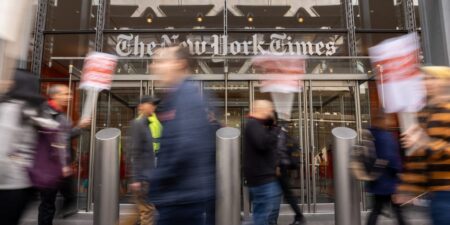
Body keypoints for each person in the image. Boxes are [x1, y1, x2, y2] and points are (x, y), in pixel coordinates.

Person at [148, 45, 215, 225]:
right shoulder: (177, 96)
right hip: (180, 197)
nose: (153, 66)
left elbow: (186, 146)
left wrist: (155, 181)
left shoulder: (186, 96)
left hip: (180, 199)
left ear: (179, 64)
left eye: (160, 61)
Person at [0, 69, 60, 225]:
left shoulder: (12, 108)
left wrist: (16, 159)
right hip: (27, 180)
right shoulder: (35, 109)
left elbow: (3, 148)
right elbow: (53, 128)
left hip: (7, 181)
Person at [399, 66, 450, 225]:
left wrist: (424, 142)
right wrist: (408, 187)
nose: (427, 82)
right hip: (436, 192)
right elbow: (418, 157)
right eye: (425, 79)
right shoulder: (423, 114)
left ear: (445, 82)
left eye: (433, 78)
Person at [38, 84, 91, 225]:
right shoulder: (45, 112)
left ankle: (61, 213)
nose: (70, 97)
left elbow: (65, 136)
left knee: (70, 196)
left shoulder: (61, 114)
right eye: (66, 94)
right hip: (49, 166)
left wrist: (79, 126)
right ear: (55, 95)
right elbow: (52, 139)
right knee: (47, 203)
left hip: (60, 167)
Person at [123, 95, 161, 225]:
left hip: (146, 176)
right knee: (147, 211)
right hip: (142, 178)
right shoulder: (137, 124)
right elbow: (133, 151)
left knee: (139, 212)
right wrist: (135, 179)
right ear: (141, 106)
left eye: (154, 104)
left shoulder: (147, 124)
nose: (153, 107)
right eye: (150, 104)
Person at [244, 100, 281, 225]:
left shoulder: (257, 125)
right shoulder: (253, 124)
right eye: (270, 110)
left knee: (262, 214)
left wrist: (271, 125)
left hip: (262, 179)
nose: (271, 112)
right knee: (265, 215)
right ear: (262, 110)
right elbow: (263, 144)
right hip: (263, 180)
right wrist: (275, 130)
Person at [366, 113, 407, 225]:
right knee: (397, 209)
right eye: (389, 119)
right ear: (383, 121)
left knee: (377, 209)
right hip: (388, 180)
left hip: (377, 179)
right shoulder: (385, 136)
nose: (391, 122)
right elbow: (390, 157)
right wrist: (398, 172)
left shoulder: (373, 134)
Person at [274, 123, 306, 225]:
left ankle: (299, 216)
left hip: (280, 168)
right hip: (285, 167)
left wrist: (277, 165)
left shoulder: (278, 133)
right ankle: (299, 216)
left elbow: (279, 150)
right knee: (285, 193)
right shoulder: (285, 134)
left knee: (282, 194)